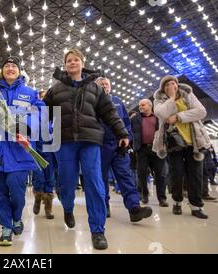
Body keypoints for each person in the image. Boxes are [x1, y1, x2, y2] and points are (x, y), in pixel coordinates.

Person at [44, 48, 129, 250]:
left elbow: (109, 112)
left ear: (82, 63)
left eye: (76, 60)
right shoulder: (55, 90)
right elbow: (41, 113)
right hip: (64, 141)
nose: (72, 63)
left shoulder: (95, 88)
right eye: (69, 60)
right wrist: (27, 130)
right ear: (65, 65)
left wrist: (122, 133)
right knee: (66, 182)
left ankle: (98, 230)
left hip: (90, 140)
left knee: (94, 182)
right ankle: (67, 207)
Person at [0, 56, 45, 246]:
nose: (10, 68)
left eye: (14, 66)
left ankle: (17, 217)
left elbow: (40, 113)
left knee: (17, 189)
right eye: (7, 66)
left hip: (19, 149)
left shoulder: (30, 93)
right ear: (2, 71)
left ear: (19, 71)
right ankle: (6, 227)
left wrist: (26, 129)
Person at [153, 75, 211, 219]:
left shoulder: (188, 95)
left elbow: (201, 111)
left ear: (178, 85)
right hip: (174, 144)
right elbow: (162, 114)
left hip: (194, 142)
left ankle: (196, 206)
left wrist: (178, 117)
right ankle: (177, 202)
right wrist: (171, 98)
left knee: (196, 175)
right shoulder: (160, 100)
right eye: (167, 85)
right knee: (177, 174)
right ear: (163, 89)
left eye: (173, 83)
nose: (171, 86)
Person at [96, 77, 152, 221]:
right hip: (100, 146)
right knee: (101, 179)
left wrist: (127, 139)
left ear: (110, 87)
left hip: (118, 146)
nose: (104, 86)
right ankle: (104, 206)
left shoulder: (118, 101)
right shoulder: (93, 101)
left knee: (125, 176)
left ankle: (134, 209)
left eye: (106, 84)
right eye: (101, 84)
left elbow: (126, 122)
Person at [131, 99, 168, 206]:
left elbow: (165, 131)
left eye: (143, 104)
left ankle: (162, 198)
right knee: (141, 174)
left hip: (157, 149)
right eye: (139, 105)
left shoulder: (158, 117)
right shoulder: (135, 118)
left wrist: (165, 144)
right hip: (142, 149)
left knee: (160, 174)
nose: (140, 106)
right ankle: (144, 195)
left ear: (150, 105)